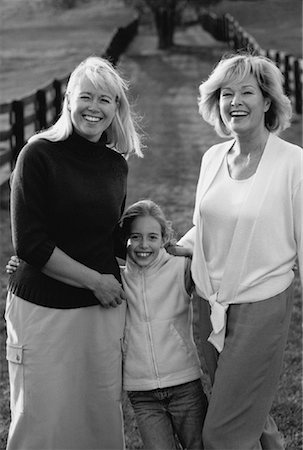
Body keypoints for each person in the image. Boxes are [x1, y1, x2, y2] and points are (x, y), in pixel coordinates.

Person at [5, 55, 143, 450]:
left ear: (117, 108)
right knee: (41, 418)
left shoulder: (115, 163)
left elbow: (108, 234)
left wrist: (162, 246)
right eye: (86, 97)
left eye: (106, 99)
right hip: (44, 309)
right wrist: (96, 281)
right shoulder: (37, 155)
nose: (94, 108)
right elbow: (30, 243)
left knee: (98, 414)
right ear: (68, 101)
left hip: (100, 314)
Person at [7, 199, 209, 450]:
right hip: (142, 393)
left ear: (164, 238)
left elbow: (211, 240)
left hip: (184, 385)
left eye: (152, 237)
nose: (143, 245)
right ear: (123, 240)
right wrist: (25, 265)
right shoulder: (117, 282)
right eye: (135, 237)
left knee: (199, 445)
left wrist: (187, 249)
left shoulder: (180, 270)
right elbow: (69, 270)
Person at [177, 52, 302, 450]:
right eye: (226, 93)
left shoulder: (293, 164)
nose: (235, 101)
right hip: (208, 306)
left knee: (223, 434)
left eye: (247, 91)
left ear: (267, 101)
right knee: (251, 414)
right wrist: (174, 250)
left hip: (261, 307)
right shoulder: (212, 158)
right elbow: (204, 227)